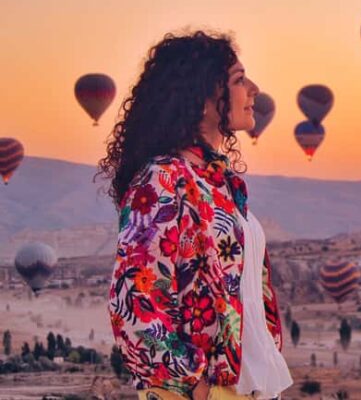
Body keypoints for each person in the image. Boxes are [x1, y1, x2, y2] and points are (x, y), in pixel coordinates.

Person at [100, 30, 293, 400]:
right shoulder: (163, 179)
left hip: (249, 384)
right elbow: (134, 300)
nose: (254, 88)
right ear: (201, 99)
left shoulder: (219, 182)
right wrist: (195, 386)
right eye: (239, 80)